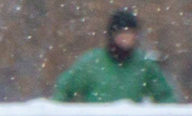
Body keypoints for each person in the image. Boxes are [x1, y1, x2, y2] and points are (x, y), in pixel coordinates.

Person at [50, 8, 180, 103]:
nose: (126, 39)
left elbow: (165, 96)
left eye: (130, 34)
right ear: (112, 36)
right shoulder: (92, 63)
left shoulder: (144, 64)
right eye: (122, 34)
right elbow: (64, 89)